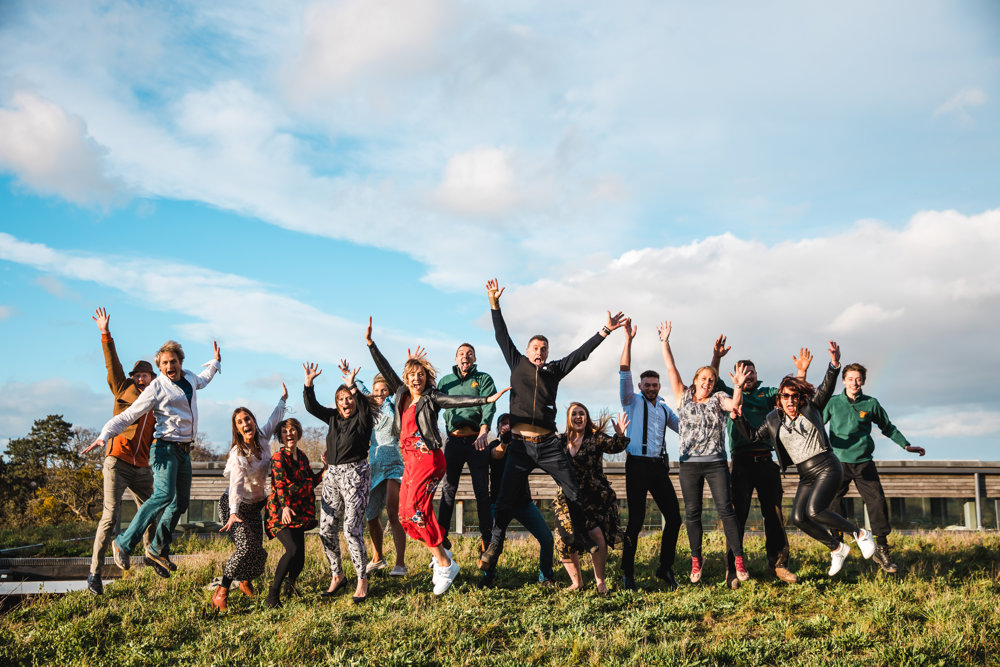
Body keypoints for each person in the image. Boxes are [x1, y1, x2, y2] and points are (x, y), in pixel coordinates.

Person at [478, 278, 626, 574]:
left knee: (572, 488)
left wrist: (605, 331)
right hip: (520, 445)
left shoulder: (554, 370)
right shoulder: (516, 363)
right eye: (536, 347)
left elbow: (581, 355)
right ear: (528, 349)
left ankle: (580, 536)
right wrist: (494, 303)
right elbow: (500, 334)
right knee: (505, 497)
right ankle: (494, 545)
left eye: (544, 348)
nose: (540, 352)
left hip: (548, 445)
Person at [366, 317, 508, 595]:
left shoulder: (431, 397)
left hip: (428, 460)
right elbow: (385, 368)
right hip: (409, 462)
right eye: (411, 376)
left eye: (421, 375)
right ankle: (442, 553)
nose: (416, 380)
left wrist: (485, 401)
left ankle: (444, 563)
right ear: (405, 380)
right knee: (405, 518)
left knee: (416, 513)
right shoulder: (402, 395)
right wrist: (371, 344)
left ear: (427, 378)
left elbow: (456, 400)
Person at [732, 341, 877, 577]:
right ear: (779, 398)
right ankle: (837, 548)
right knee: (799, 517)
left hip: (827, 466)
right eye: (786, 397)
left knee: (815, 510)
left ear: (800, 398)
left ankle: (860, 533)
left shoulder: (811, 408)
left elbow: (825, 388)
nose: (790, 401)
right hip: (806, 474)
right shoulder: (772, 419)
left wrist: (834, 365)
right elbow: (751, 436)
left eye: (794, 397)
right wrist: (738, 418)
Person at [89, 339, 221, 575]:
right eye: (165, 363)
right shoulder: (156, 388)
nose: (170, 367)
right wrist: (105, 433)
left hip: (184, 451)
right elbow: (129, 414)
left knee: (180, 503)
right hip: (164, 449)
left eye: (173, 362)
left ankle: (157, 548)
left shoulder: (189, 377)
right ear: (159, 367)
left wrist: (215, 363)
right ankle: (123, 543)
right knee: (163, 495)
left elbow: (204, 379)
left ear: (180, 362)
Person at [710, 335, 811, 586]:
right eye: (742, 373)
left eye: (751, 372)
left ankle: (778, 564)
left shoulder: (767, 394)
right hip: (741, 462)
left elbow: (792, 396)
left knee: (774, 514)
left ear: (757, 374)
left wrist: (801, 371)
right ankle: (733, 569)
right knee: (737, 516)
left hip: (766, 461)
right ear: (735, 377)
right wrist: (717, 357)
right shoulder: (729, 393)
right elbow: (711, 379)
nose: (748, 376)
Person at [658, 321, 749, 587]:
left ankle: (739, 560)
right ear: (695, 380)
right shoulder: (682, 396)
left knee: (726, 510)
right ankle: (697, 559)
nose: (707, 383)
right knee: (692, 513)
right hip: (689, 465)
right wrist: (665, 341)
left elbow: (735, 404)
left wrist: (739, 386)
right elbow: (671, 368)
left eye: (711, 380)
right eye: (703, 379)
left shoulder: (719, 397)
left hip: (716, 463)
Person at [823, 362, 926, 573]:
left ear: (863, 382)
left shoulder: (871, 403)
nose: (854, 382)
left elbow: (887, 427)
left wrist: (905, 444)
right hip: (839, 462)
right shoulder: (833, 403)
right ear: (843, 381)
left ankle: (882, 548)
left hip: (863, 462)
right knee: (832, 500)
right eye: (850, 378)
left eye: (858, 379)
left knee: (877, 501)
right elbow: (816, 424)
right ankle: (838, 543)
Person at [85, 307, 157, 595]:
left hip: (142, 465)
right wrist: (106, 334)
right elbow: (111, 365)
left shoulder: (157, 400)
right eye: (137, 375)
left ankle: (149, 553)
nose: (141, 379)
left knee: (151, 510)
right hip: (117, 460)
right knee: (109, 515)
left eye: (145, 376)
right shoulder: (122, 389)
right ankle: (95, 573)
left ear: (153, 378)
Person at [303, 360, 375, 604]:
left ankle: (362, 579)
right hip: (332, 475)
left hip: (356, 474)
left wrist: (352, 385)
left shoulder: (364, 420)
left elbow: (365, 407)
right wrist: (309, 383)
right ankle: (337, 575)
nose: (346, 402)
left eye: (349, 398)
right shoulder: (333, 418)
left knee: (351, 530)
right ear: (336, 403)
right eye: (341, 399)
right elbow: (312, 407)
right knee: (325, 529)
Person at [617, 319, 681, 590]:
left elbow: (684, 428)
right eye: (647, 384)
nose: (652, 388)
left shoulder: (664, 409)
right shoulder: (631, 400)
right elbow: (624, 371)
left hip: (657, 467)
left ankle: (665, 568)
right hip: (636, 466)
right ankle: (627, 573)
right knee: (636, 521)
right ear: (641, 385)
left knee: (675, 518)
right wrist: (629, 340)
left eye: (655, 384)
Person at [211, 385, 287, 611]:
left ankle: (245, 580)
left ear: (253, 421)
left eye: (248, 419)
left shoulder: (263, 438)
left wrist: (283, 399)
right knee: (245, 548)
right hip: (234, 506)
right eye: (240, 422)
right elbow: (235, 486)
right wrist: (233, 513)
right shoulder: (238, 454)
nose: (246, 424)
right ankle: (222, 591)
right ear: (237, 429)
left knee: (259, 553)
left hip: (255, 506)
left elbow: (274, 419)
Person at [556, 404, 630, 594]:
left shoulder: (595, 438)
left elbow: (615, 446)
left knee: (597, 535)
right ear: (568, 418)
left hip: (594, 496)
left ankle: (600, 581)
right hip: (567, 497)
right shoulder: (560, 441)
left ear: (587, 418)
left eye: (582, 413)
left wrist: (620, 435)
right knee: (563, 539)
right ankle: (576, 582)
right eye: (574, 414)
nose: (578, 417)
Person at [436, 343, 497, 554]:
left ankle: (487, 540)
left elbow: (489, 405)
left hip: (476, 440)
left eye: (469, 353)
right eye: (461, 353)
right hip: (453, 441)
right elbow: (433, 406)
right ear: (456, 358)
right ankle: (441, 535)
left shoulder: (483, 379)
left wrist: (483, 431)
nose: (466, 356)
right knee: (448, 489)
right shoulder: (445, 382)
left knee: (482, 491)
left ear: (474, 358)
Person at [481, 413, 555, 587]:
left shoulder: (524, 447)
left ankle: (546, 577)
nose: (506, 426)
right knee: (493, 544)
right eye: (503, 424)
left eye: (510, 424)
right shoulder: (493, 445)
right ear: (499, 428)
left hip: (524, 504)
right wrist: (505, 441)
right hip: (499, 505)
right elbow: (497, 454)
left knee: (547, 539)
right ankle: (488, 577)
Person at [264, 418, 327, 609]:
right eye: (284, 431)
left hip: (300, 511)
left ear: (298, 433)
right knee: (291, 550)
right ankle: (272, 595)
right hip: (280, 511)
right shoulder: (278, 457)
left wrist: (326, 469)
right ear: (280, 436)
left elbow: (310, 483)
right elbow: (280, 483)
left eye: (292, 430)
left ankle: (290, 586)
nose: (289, 434)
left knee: (300, 556)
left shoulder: (303, 457)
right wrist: (284, 506)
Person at [357, 375, 408, 577]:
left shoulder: (392, 406)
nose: (379, 394)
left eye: (383, 390)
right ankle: (378, 558)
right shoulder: (369, 412)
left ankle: (400, 563)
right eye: (376, 391)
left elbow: (399, 390)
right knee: (371, 514)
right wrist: (353, 381)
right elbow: (362, 393)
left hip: (393, 463)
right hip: (375, 464)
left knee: (393, 511)